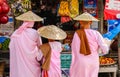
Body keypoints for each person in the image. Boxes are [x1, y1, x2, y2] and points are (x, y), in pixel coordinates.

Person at [70, 12, 111, 77]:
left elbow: (74, 48)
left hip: (80, 62)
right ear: (91, 22)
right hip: (93, 61)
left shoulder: (77, 33)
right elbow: (104, 48)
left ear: (80, 22)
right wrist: (105, 50)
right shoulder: (96, 33)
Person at [9, 11, 44, 77]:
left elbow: (11, 46)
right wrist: (40, 57)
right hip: (32, 60)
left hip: (19, 61)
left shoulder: (16, 32)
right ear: (32, 22)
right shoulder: (35, 33)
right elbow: (40, 46)